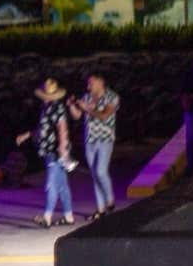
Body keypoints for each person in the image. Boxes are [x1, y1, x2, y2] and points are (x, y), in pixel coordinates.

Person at [16, 78, 74, 228]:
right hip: (52, 150)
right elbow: (44, 129)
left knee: (51, 184)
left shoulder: (56, 107)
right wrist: (27, 135)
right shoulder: (47, 107)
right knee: (62, 185)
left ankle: (47, 217)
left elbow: (62, 128)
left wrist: (62, 148)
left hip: (55, 151)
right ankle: (68, 216)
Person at [67, 73, 119, 221]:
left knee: (101, 171)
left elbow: (104, 116)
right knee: (95, 174)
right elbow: (77, 116)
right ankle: (101, 209)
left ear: (100, 82)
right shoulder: (87, 97)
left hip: (105, 139)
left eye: (91, 83)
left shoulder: (112, 97)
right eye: (88, 83)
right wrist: (72, 106)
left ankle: (110, 201)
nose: (88, 86)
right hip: (89, 139)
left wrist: (87, 109)